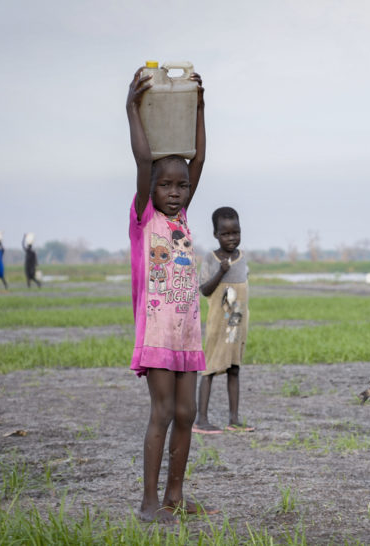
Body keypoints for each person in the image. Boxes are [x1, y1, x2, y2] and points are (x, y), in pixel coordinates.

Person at [126, 65, 213, 522]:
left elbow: (197, 160)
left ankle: (175, 497)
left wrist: (199, 108)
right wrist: (131, 109)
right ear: (151, 190)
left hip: (187, 331)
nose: (175, 192)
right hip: (158, 332)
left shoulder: (181, 219)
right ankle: (148, 503)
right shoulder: (145, 219)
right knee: (162, 413)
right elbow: (144, 162)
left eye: (181, 186)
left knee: (187, 412)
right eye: (166, 185)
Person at [193, 206, 255, 434]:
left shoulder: (242, 258)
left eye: (235, 233)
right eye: (226, 234)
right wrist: (221, 272)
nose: (232, 238)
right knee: (209, 369)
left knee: (234, 369)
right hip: (218, 327)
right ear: (215, 234)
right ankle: (201, 420)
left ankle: (234, 419)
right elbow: (205, 290)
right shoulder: (211, 259)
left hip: (237, 326)